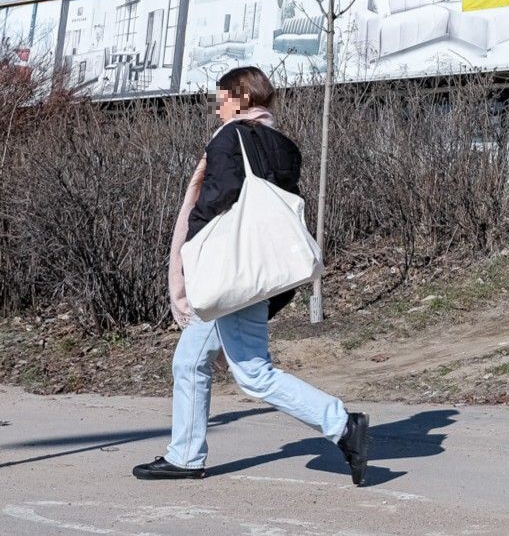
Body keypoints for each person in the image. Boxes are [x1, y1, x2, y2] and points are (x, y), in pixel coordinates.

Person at [133, 66, 370, 485]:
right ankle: (185, 456)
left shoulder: (229, 138)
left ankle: (340, 423)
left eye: (222, 99)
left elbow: (216, 199)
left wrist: (193, 251)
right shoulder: (283, 145)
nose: (217, 107)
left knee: (254, 373)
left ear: (240, 99)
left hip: (231, 273)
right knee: (190, 360)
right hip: (259, 268)